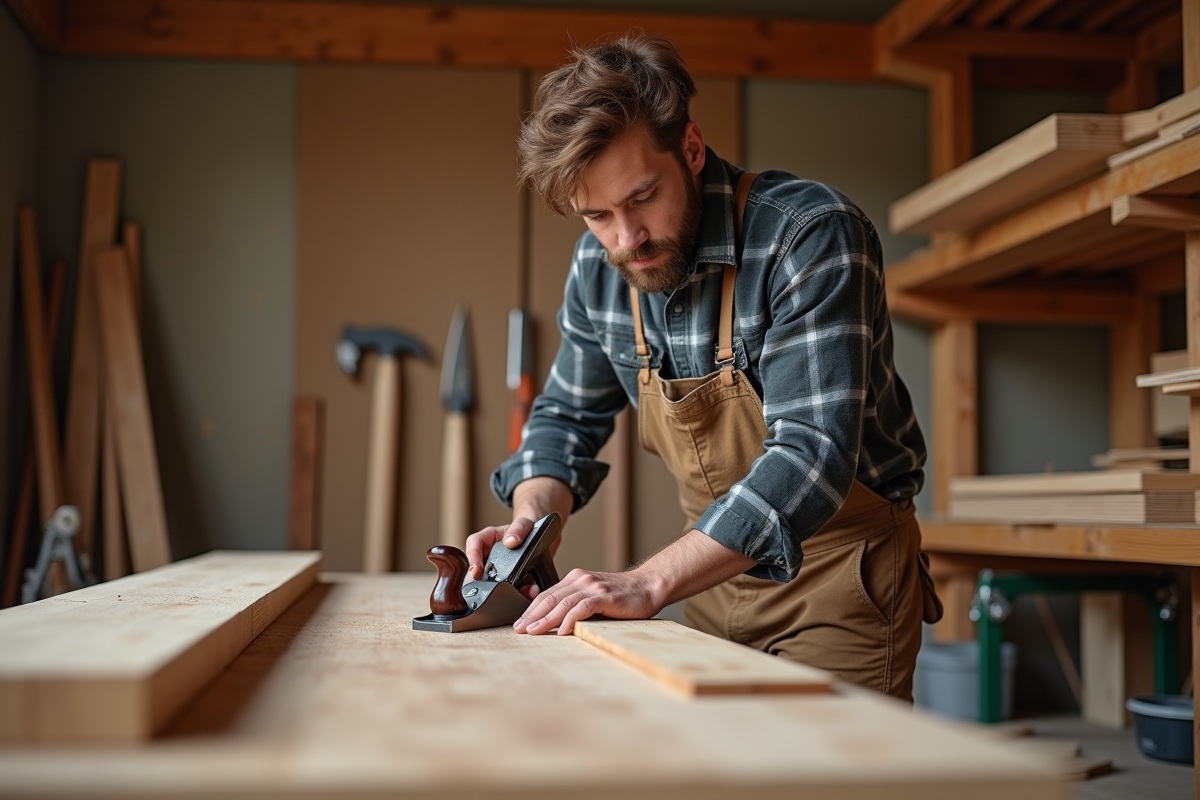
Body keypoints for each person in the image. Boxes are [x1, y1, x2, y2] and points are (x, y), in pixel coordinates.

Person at [467, 34, 942, 700]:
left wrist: (647, 581)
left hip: (840, 579)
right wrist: (531, 523)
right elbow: (563, 421)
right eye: (597, 215)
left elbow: (810, 457)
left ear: (691, 148)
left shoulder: (809, 235)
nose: (626, 239)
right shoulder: (599, 267)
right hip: (710, 580)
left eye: (642, 197)